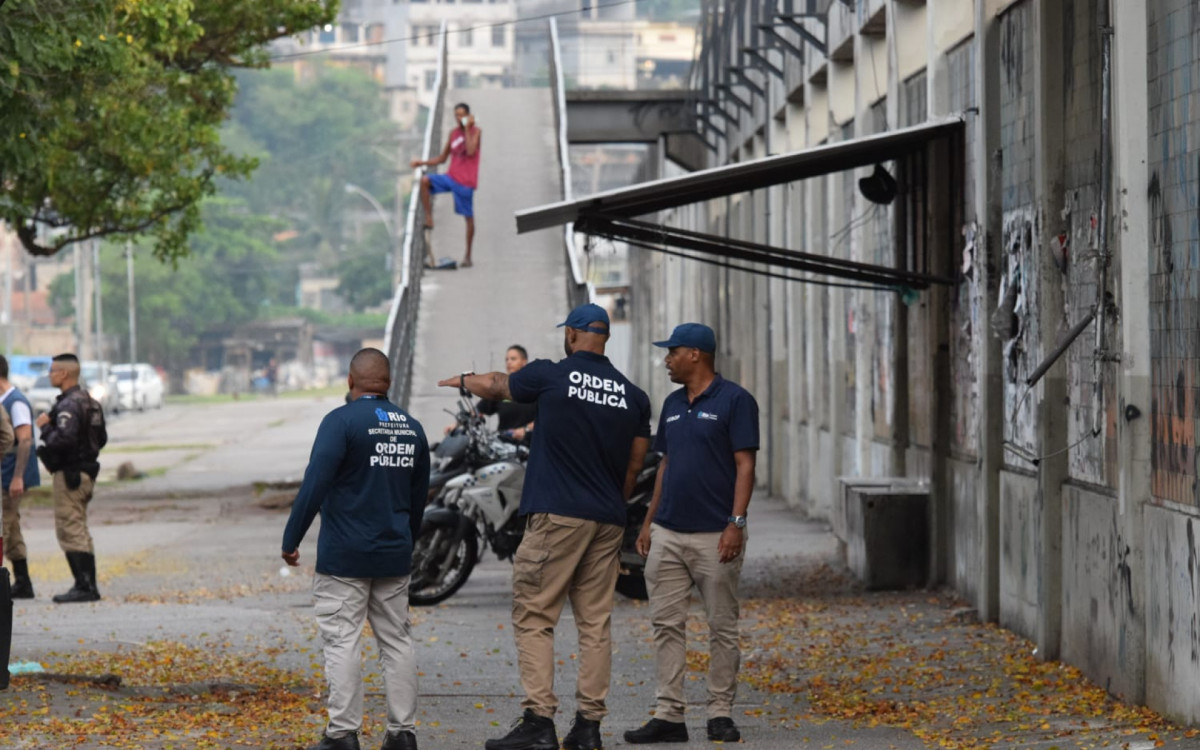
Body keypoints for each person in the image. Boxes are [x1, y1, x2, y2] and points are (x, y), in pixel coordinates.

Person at [439, 303, 652, 750]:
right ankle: (588, 727)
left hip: (558, 514)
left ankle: (539, 721)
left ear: (573, 335)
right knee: (595, 623)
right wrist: (611, 500)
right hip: (608, 518)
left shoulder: (553, 374)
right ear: (604, 338)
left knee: (535, 614)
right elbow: (635, 464)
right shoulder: (633, 396)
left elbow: (498, 385)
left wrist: (462, 380)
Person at [282, 348, 430, 750]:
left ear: (350, 381)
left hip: (344, 558)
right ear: (389, 382)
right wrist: (404, 543)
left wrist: (291, 539)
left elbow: (314, 484)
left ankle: (343, 734)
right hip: (394, 556)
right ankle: (403, 735)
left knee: (343, 640)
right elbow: (419, 501)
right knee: (397, 643)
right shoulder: (412, 428)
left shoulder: (340, 422)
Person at [624, 324, 759, 745]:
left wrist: (735, 524)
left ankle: (720, 713)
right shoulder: (672, 404)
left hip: (715, 536)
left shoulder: (736, 401)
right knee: (666, 624)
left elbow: (745, 467)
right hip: (668, 533)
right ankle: (669, 715)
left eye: (673, 352)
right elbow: (666, 465)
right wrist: (649, 523)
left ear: (696, 355)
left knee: (721, 627)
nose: (667, 359)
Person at [35, 353, 106, 605]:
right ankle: (87, 583)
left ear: (64, 374)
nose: (50, 375)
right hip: (87, 471)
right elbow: (102, 438)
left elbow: (63, 440)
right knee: (79, 527)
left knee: (70, 527)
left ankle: (83, 585)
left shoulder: (68, 406)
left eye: (53, 371)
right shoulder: (90, 402)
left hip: (71, 474)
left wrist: (45, 426)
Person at [410, 102, 481, 268]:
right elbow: (442, 158)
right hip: (451, 176)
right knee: (425, 181)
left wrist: (467, 129)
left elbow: (470, 150)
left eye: (462, 115)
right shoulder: (453, 134)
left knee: (468, 218)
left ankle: (468, 255)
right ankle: (429, 217)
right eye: (456, 115)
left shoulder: (476, 132)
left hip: (466, 181)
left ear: (468, 116)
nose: (459, 118)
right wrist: (422, 162)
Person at [0, 355, 40, 598]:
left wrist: (18, 477)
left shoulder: (15, 402)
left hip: (12, 476)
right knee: (11, 527)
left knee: (3, 526)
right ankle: (23, 582)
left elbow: (24, 440)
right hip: (7, 474)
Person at [445, 345, 537, 440]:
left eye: (513, 359)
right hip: (503, 447)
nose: (509, 362)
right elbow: (476, 411)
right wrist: (455, 425)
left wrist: (525, 430)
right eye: (507, 359)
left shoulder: (535, 388)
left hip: (529, 446)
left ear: (524, 361)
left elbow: (547, 417)